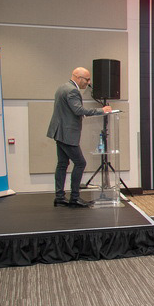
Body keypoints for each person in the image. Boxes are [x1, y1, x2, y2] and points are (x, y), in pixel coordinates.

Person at [47, 67, 112, 208]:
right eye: (86, 79)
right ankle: (75, 197)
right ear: (77, 77)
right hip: (67, 134)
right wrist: (101, 110)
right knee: (80, 163)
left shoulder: (62, 87)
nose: (88, 83)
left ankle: (60, 197)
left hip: (60, 132)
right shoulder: (72, 91)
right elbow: (78, 110)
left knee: (62, 164)